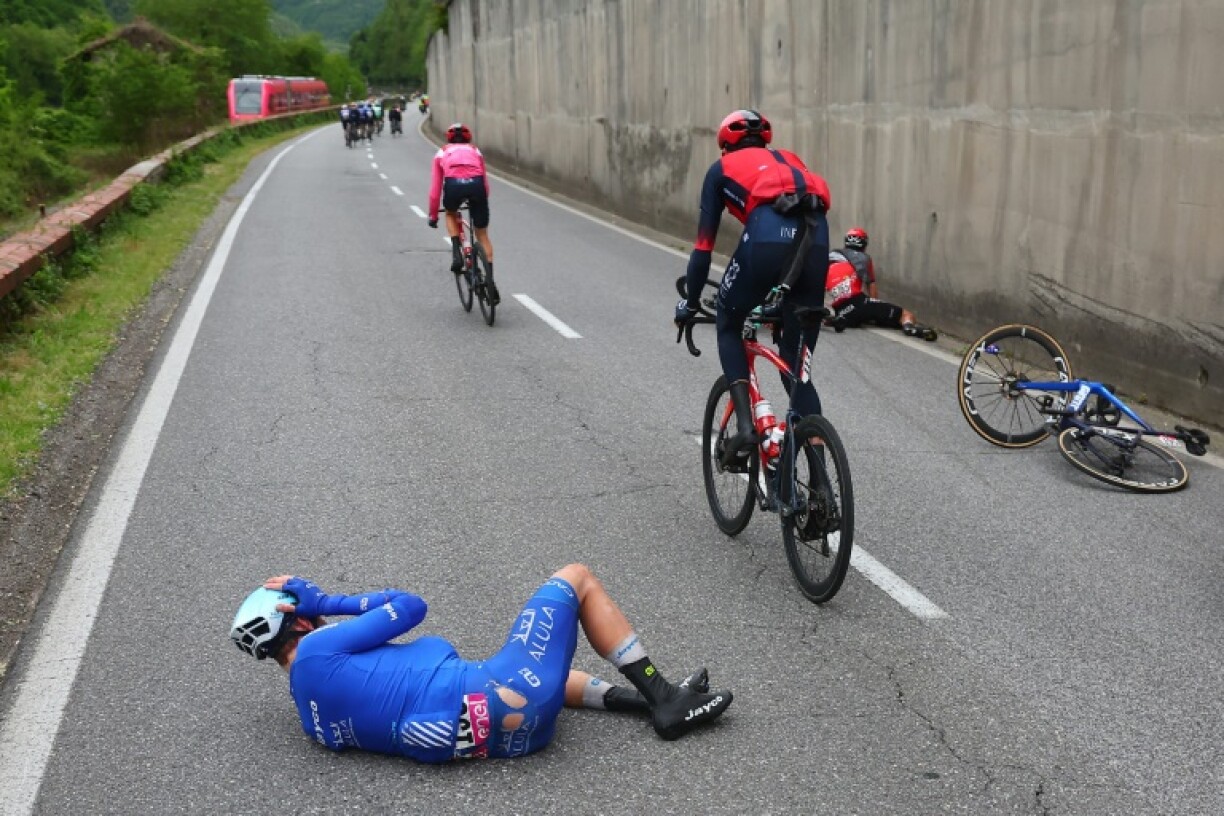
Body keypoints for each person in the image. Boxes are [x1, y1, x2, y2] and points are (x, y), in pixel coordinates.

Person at [229, 564, 732, 762]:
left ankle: (642, 703)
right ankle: (663, 697)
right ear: (295, 621)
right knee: (575, 578)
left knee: (524, 673)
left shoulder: (310, 717)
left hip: (510, 736)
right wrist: (328, 600)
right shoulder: (318, 648)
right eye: (303, 608)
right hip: (506, 691)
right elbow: (410, 606)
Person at [674, 109, 832, 465]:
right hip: (817, 239)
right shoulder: (792, 161)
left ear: (725, 146)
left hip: (765, 237)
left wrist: (690, 303)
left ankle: (745, 428)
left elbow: (703, 248)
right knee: (796, 367)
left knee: (729, 322)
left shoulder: (721, 170)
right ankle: (821, 484)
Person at [427, 122, 499, 305]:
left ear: (448, 137)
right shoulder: (475, 151)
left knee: (450, 213)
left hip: (453, 187)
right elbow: (485, 182)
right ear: (469, 137)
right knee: (482, 234)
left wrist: (433, 214)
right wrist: (481, 200)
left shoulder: (442, 152)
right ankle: (490, 282)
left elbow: (435, 190)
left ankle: (456, 253)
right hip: (477, 187)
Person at [825, 228, 937, 340]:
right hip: (859, 303)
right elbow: (871, 285)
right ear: (864, 243)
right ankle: (909, 328)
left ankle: (833, 319)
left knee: (851, 314)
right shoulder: (865, 259)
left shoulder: (830, 257)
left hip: (840, 309)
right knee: (906, 315)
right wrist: (873, 305)